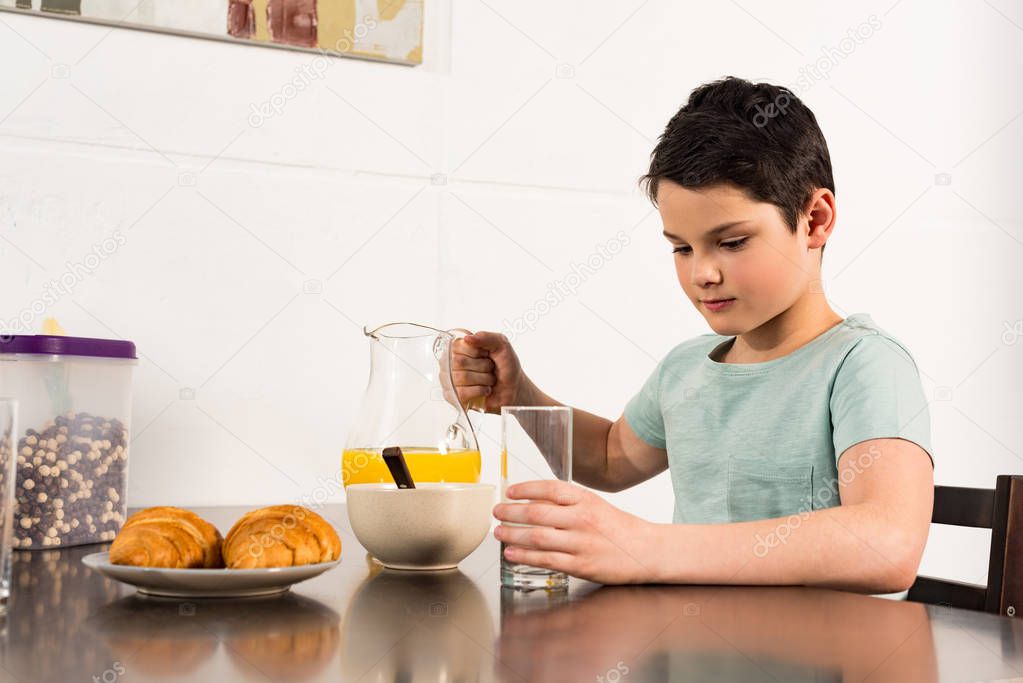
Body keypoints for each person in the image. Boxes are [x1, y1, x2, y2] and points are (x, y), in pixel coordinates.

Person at [453, 76, 934, 597]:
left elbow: (887, 544)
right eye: (681, 248)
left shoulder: (863, 364)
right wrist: (520, 396)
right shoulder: (687, 368)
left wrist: (647, 548)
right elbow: (612, 458)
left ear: (814, 220)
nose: (702, 273)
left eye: (730, 242)